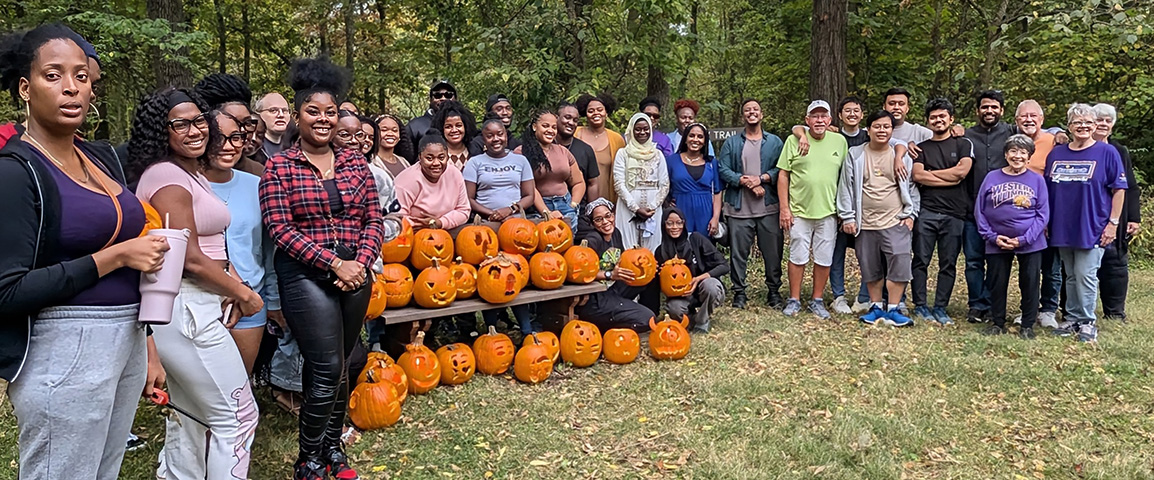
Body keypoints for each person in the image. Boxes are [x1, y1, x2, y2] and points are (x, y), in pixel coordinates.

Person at [0, 25, 168, 480]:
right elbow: (7, 290)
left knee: (103, 472)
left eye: (81, 76)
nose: (71, 87)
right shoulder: (17, 172)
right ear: (25, 88)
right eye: (53, 75)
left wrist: (148, 348)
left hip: (126, 339)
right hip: (65, 347)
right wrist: (116, 257)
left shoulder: (102, 158)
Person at [260, 57, 389, 480]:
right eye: (313, 111)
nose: (322, 119)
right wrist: (335, 262)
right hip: (305, 275)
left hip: (356, 272)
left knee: (346, 361)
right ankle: (308, 459)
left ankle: (334, 450)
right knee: (325, 366)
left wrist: (361, 262)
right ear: (298, 116)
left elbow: (374, 217)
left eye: (330, 112)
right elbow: (280, 229)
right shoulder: (279, 167)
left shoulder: (355, 164)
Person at [129, 89, 262, 479]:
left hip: (196, 303)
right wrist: (243, 294)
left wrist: (230, 278)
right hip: (185, 307)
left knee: (193, 418)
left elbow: (209, 243)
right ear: (161, 130)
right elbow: (185, 257)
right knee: (237, 417)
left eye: (199, 121)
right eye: (180, 124)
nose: (194, 131)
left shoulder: (190, 173)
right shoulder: (167, 177)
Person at [203, 110, 281, 375]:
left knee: (238, 383)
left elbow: (268, 250)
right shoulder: (185, 186)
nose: (228, 146)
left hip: (250, 299)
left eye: (235, 137)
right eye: (218, 139)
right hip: (201, 300)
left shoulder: (257, 185)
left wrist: (274, 300)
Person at [1044, 103, 1127, 343]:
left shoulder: (1106, 152)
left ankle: (1087, 321)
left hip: (1092, 224)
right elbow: (1049, 190)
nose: (1083, 127)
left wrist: (1113, 223)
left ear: (1094, 126)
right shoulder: (1057, 154)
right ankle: (1072, 318)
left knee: (1086, 274)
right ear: (1069, 127)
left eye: (1088, 123)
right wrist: (1048, 221)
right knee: (1070, 274)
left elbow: (1119, 190)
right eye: (1077, 123)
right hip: (1062, 224)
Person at [836, 110, 918, 327]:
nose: (882, 130)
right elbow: (845, 187)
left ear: (892, 130)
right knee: (870, 267)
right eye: (877, 126)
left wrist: (911, 214)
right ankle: (875, 307)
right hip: (866, 223)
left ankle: (893, 308)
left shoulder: (900, 155)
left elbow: (912, 187)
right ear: (868, 129)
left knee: (899, 263)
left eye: (886, 127)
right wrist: (847, 217)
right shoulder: (855, 154)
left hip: (896, 220)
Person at [465, 117, 537, 334]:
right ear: (483, 139)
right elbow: (468, 198)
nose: (496, 139)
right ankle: (491, 329)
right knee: (491, 276)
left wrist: (510, 210)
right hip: (485, 227)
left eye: (500, 134)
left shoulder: (520, 161)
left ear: (506, 136)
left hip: (515, 225)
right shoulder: (475, 162)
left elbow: (530, 196)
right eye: (490, 135)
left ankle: (526, 327)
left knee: (517, 272)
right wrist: (491, 213)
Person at [776, 100, 847, 319]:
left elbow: (846, 177)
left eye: (822, 116)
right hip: (799, 211)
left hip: (828, 212)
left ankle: (817, 300)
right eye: (814, 116)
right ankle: (794, 299)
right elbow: (783, 175)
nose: (819, 120)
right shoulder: (793, 140)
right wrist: (784, 208)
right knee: (797, 256)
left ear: (830, 119)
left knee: (824, 258)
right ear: (807, 120)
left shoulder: (839, 141)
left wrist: (844, 211)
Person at [975, 134, 1049, 339]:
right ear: (1006, 154)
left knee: (1030, 282)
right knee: (997, 282)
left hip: (1030, 242)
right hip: (997, 241)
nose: (1017, 156)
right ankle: (997, 322)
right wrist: (991, 236)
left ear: (1029, 156)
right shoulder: (992, 177)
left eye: (1023, 152)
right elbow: (979, 210)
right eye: (1013, 151)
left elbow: (1043, 214)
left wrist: (1024, 239)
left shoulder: (1037, 180)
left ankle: (1027, 324)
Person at [909, 98, 973, 326]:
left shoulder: (962, 144)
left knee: (948, 263)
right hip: (926, 212)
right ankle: (920, 305)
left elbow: (963, 172)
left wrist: (933, 175)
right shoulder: (922, 148)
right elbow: (917, 175)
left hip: (954, 214)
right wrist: (950, 177)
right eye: (933, 117)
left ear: (951, 119)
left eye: (942, 116)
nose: (938, 120)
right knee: (920, 261)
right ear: (928, 121)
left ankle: (940, 307)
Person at [718, 98, 785, 309]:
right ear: (743, 116)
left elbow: (782, 169)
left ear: (761, 114)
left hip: (769, 207)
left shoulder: (774, 142)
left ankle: (774, 292)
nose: (752, 112)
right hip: (739, 209)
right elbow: (723, 169)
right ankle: (739, 293)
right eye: (747, 110)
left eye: (755, 109)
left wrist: (762, 178)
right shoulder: (732, 143)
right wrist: (745, 181)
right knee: (739, 254)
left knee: (773, 252)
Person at [961, 90, 1013, 324]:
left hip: (1001, 213)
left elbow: (1039, 131)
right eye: (985, 107)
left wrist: (1059, 133)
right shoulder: (966, 136)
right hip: (971, 209)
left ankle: (994, 304)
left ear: (1001, 110)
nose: (989, 111)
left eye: (994, 107)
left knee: (996, 262)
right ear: (977, 110)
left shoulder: (1012, 133)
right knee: (973, 261)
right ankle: (976, 304)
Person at [576, 199, 658, 332]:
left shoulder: (616, 233)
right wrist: (609, 275)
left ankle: (647, 313)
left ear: (613, 215)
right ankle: (607, 330)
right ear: (592, 224)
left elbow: (622, 260)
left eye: (608, 216)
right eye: (598, 219)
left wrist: (646, 264)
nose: (605, 222)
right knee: (646, 319)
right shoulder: (592, 241)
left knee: (648, 276)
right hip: (597, 298)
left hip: (614, 289)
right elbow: (580, 273)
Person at [1014, 100, 1061, 328]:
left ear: (1042, 120)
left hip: (1050, 211)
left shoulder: (1054, 141)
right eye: (1023, 116)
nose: (1028, 120)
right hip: (1020, 216)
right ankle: (1028, 309)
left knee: (1051, 264)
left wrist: (1059, 132)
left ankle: (1049, 309)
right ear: (1016, 121)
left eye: (1034, 116)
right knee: (1028, 267)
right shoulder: (1012, 143)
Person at [1091, 103, 1140, 322]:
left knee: (1115, 263)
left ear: (1112, 125)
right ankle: (1078, 309)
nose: (1102, 124)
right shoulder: (1077, 146)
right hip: (1088, 213)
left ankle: (1115, 311)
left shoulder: (1119, 151)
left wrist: (1133, 217)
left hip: (1115, 215)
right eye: (1098, 119)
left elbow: (1130, 186)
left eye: (1107, 121)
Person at [656, 208, 729, 333]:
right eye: (670, 223)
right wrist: (660, 273)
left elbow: (724, 265)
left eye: (679, 223)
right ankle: (690, 319)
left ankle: (702, 320)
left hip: (703, 287)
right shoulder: (661, 251)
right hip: (682, 295)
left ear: (684, 224)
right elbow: (659, 283)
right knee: (674, 308)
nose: (674, 227)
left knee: (711, 286)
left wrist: (698, 278)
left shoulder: (696, 239)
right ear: (664, 225)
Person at [517, 110, 586, 228]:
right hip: (537, 209)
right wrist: (546, 212)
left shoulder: (563, 151)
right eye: (545, 126)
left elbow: (579, 182)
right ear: (534, 127)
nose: (550, 130)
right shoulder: (521, 153)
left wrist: (573, 205)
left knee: (568, 244)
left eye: (554, 127)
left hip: (566, 205)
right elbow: (529, 188)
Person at [613, 112, 669, 251]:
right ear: (632, 130)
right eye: (638, 129)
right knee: (628, 247)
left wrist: (652, 207)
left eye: (646, 129)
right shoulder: (623, 154)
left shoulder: (658, 154)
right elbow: (619, 183)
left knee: (652, 248)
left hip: (653, 207)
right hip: (628, 205)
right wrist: (635, 208)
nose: (642, 132)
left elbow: (665, 184)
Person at [395, 134, 471, 232]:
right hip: (412, 234)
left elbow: (463, 210)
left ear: (447, 157)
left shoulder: (455, 174)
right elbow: (397, 217)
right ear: (420, 157)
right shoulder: (406, 180)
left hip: (448, 231)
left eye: (441, 157)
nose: (436, 163)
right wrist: (420, 224)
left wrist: (440, 222)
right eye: (429, 158)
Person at [194, 73, 264, 175]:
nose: (243, 130)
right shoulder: (186, 174)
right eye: (233, 123)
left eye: (247, 123)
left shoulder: (260, 173)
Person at [666, 122, 722, 237]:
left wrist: (715, 218)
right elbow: (663, 186)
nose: (695, 139)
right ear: (685, 139)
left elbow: (717, 192)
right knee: (681, 248)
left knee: (704, 249)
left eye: (700, 137)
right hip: (680, 211)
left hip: (706, 212)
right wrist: (667, 202)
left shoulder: (712, 163)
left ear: (705, 141)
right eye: (691, 136)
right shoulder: (671, 161)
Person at [574, 93, 625, 204]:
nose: (596, 113)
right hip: (578, 201)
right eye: (591, 111)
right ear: (585, 114)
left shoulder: (617, 139)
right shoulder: (575, 133)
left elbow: (621, 174)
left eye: (600, 110)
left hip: (607, 201)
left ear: (606, 113)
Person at [556, 101, 600, 203]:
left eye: (575, 120)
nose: (571, 123)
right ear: (556, 118)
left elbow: (592, 183)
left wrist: (591, 212)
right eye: (567, 117)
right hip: (548, 211)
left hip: (579, 210)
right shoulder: (544, 148)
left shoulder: (586, 150)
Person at [430, 100, 480, 170]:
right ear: (441, 129)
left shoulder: (476, 151)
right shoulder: (434, 154)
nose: (454, 130)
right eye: (448, 127)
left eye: (458, 125)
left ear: (466, 127)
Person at [407, 79, 457, 146]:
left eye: (448, 95)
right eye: (437, 95)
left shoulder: (466, 125)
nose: (443, 99)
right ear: (430, 100)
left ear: (455, 99)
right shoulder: (414, 126)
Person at [374, 113, 414, 178]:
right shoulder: (371, 162)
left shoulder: (404, 162)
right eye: (384, 130)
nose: (390, 133)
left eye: (394, 130)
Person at [255, 91, 290, 159]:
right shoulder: (253, 147)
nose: (281, 115)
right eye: (273, 110)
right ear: (259, 114)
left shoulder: (297, 146)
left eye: (284, 110)